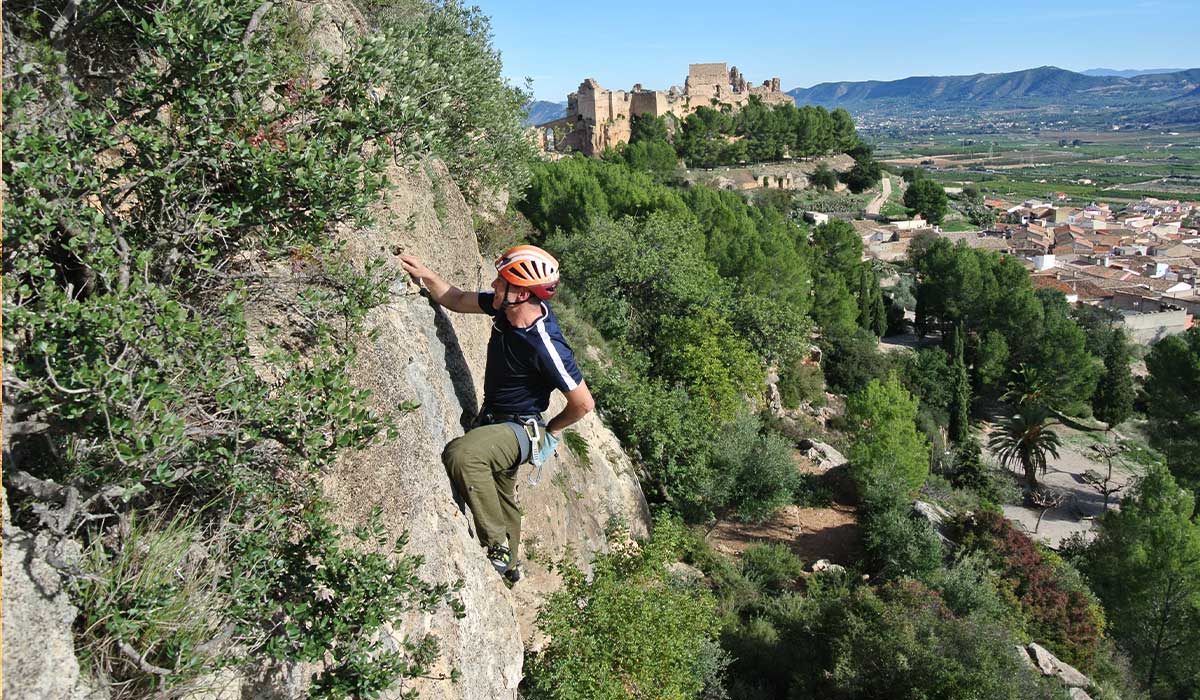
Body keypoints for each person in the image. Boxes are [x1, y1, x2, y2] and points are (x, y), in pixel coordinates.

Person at [398, 245, 595, 583]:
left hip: (521, 429)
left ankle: (497, 545)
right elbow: (457, 299)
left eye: (502, 282)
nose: (494, 284)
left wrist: (551, 430)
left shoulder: (545, 343)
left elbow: (583, 403)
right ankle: (511, 568)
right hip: (496, 420)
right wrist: (425, 274)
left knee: (464, 455)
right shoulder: (506, 309)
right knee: (503, 496)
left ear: (522, 293)